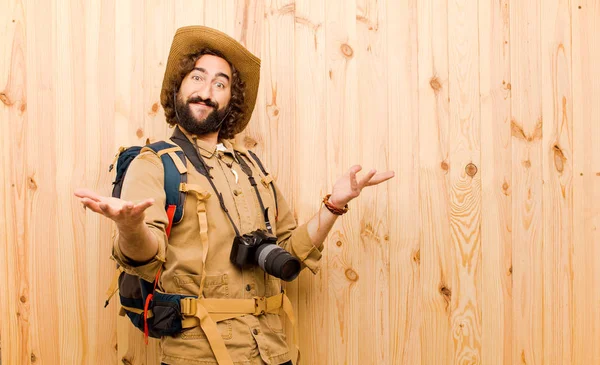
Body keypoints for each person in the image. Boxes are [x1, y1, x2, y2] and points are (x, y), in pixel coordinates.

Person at [75, 25, 394, 365]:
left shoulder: (253, 168)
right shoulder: (154, 164)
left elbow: (289, 252)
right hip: (199, 355)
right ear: (178, 87)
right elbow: (144, 256)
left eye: (220, 83)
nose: (206, 91)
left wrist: (334, 205)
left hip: (272, 351)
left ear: (231, 100)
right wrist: (130, 227)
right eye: (197, 78)